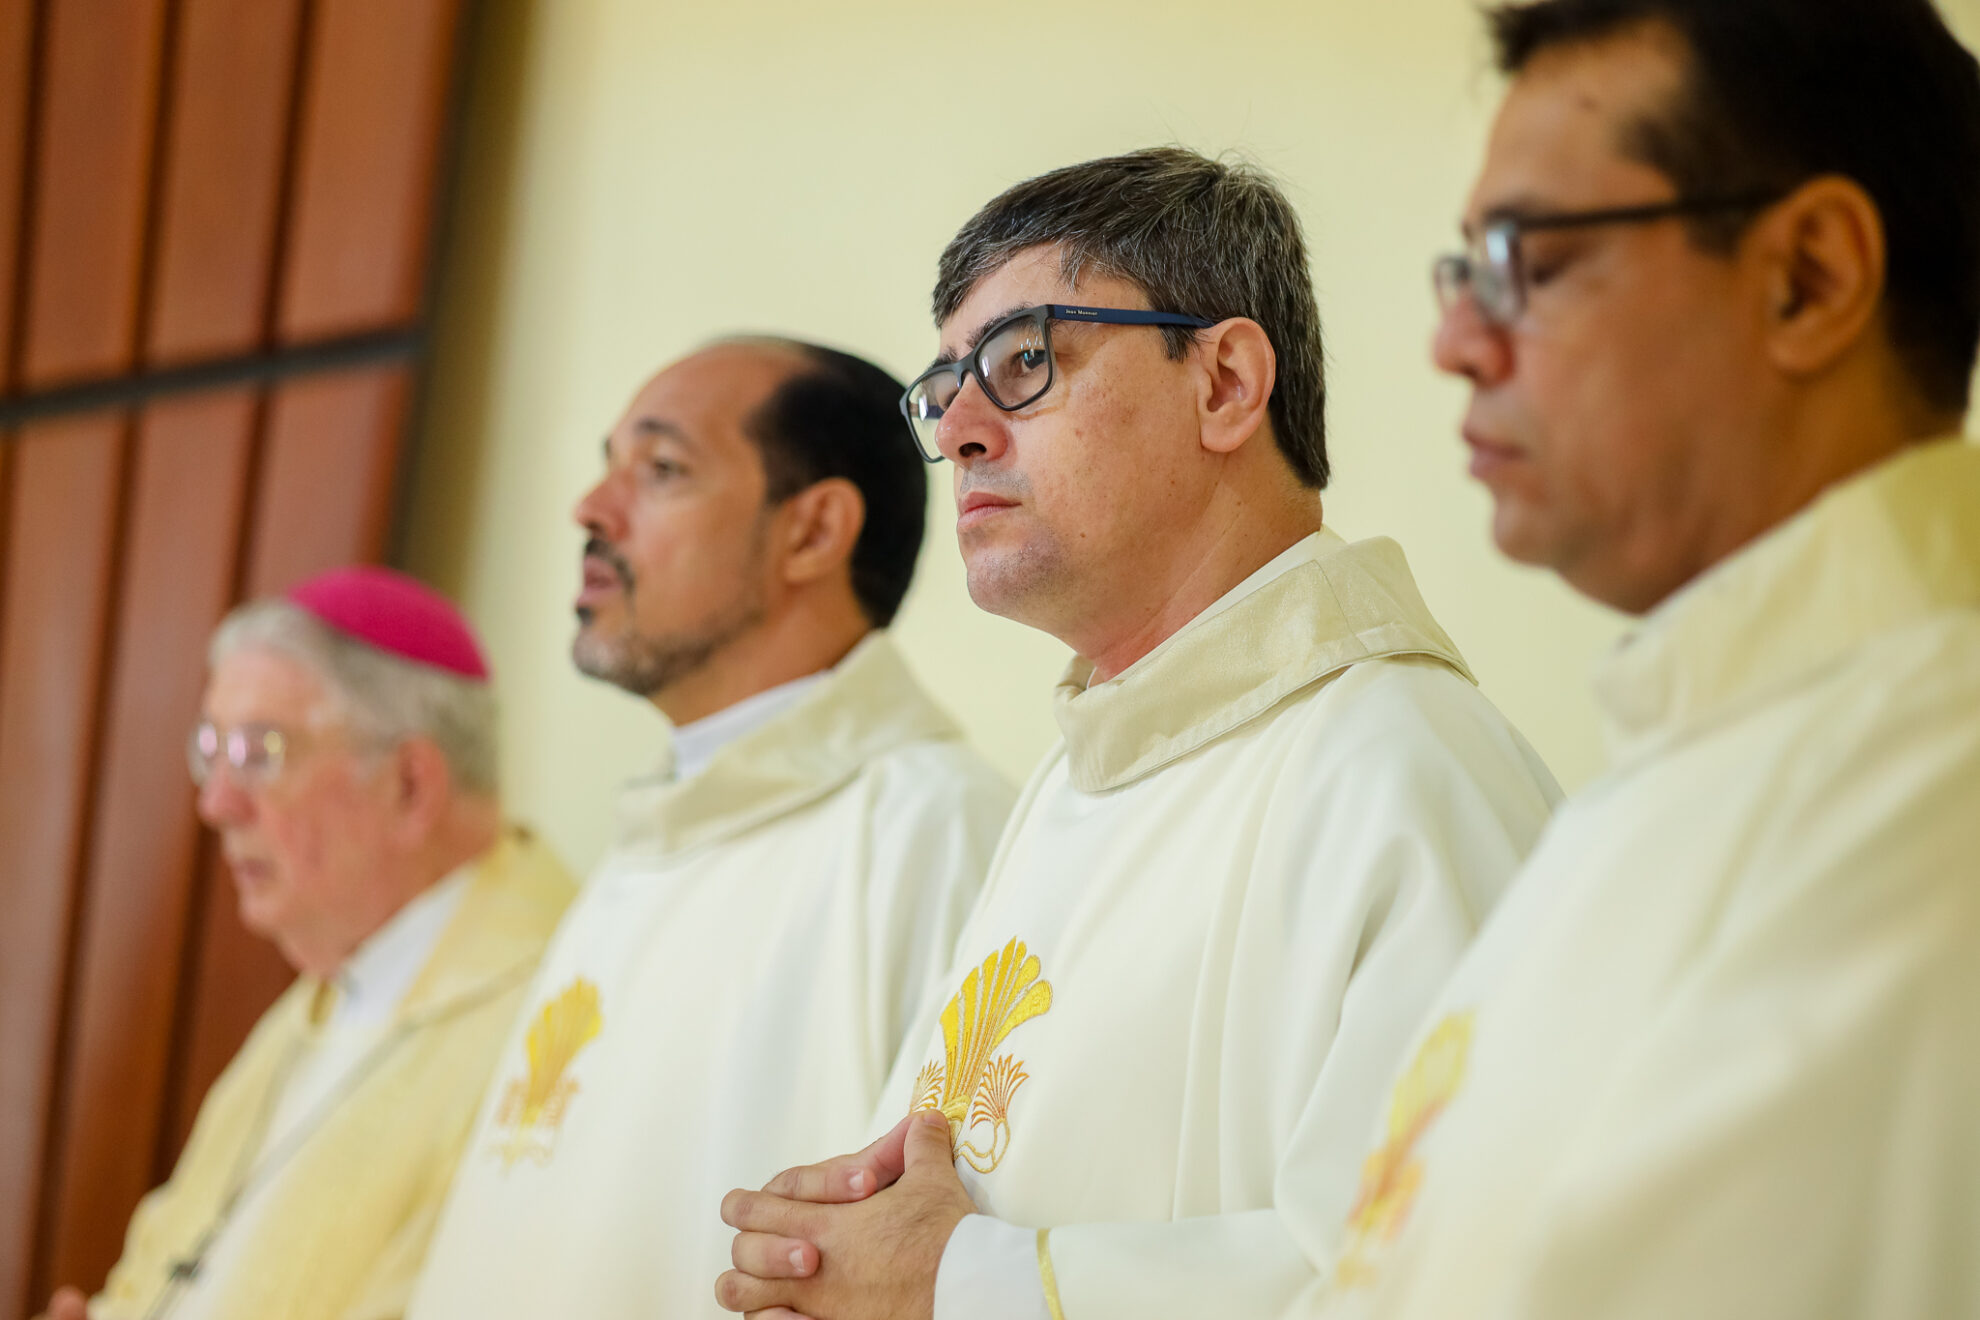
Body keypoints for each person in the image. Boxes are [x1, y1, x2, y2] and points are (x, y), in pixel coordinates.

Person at [717, 148, 1561, 1320]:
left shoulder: (1405, 769)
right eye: (946, 385)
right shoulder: (1070, 789)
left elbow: (1465, 1278)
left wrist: (960, 1284)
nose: (958, 429)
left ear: (1224, 384)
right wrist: (841, 1254)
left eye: (1022, 362)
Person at [1318, 2, 1980, 1316]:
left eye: (1531, 261)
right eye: (1467, 269)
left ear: (1809, 280)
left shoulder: (1926, 789)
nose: (1456, 343)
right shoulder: (1671, 774)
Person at [404, 339, 1014, 1319]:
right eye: (608, 466)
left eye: (661, 469)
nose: (592, 509)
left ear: (813, 531)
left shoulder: (935, 834)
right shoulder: (643, 851)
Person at [38, 567, 576, 1320]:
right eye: (212, 751)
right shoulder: (315, 1006)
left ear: (410, 785)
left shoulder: (550, 1023)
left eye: (260, 753)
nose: (217, 803)